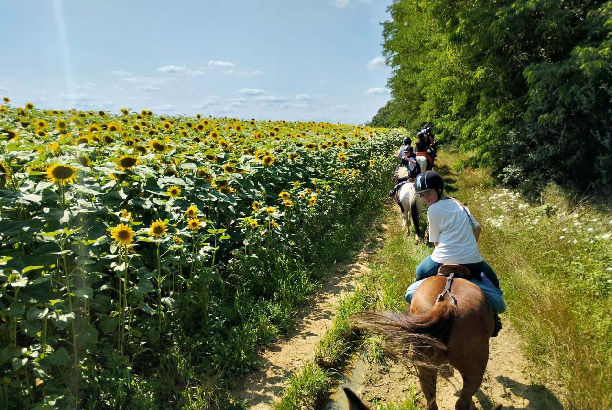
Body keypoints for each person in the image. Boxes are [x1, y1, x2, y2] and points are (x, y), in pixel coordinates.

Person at [404, 171, 505, 336]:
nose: (425, 198)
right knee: (493, 280)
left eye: (428, 193)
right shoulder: (460, 205)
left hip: (441, 258)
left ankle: (416, 311)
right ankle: (495, 317)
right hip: (472, 259)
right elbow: (477, 229)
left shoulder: (433, 210)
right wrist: (468, 246)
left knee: (420, 272)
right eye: (422, 195)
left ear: (439, 189)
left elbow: (435, 242)